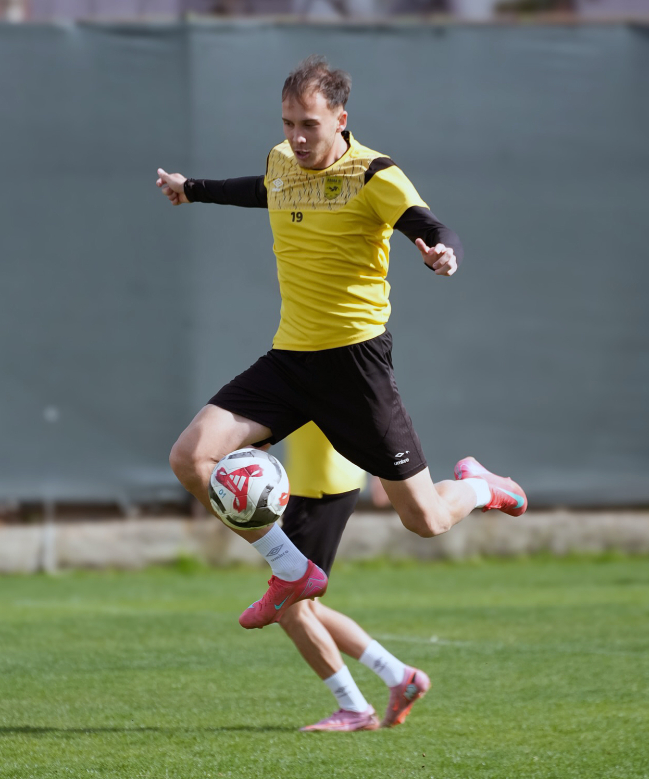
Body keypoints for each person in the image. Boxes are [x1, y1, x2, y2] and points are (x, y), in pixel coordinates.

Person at [155, 54, 527, 632]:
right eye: (288, 123)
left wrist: (443, 252)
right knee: (190, 458)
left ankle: (479, 486)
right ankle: (291, 569)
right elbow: (266, 190)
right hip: (290, 362)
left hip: (356, 366)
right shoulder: (282, 162)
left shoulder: (375, 175)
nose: (297, 137)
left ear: (341, 119)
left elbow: (432, 226)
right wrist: (192, 189)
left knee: (426, 520)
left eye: (310, 124)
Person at [279, 422, 430, 732]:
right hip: (317, 485)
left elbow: (374, 409)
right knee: (305, 607)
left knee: (289, 610)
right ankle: (400, 676)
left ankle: (355, 708)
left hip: (318, 488)